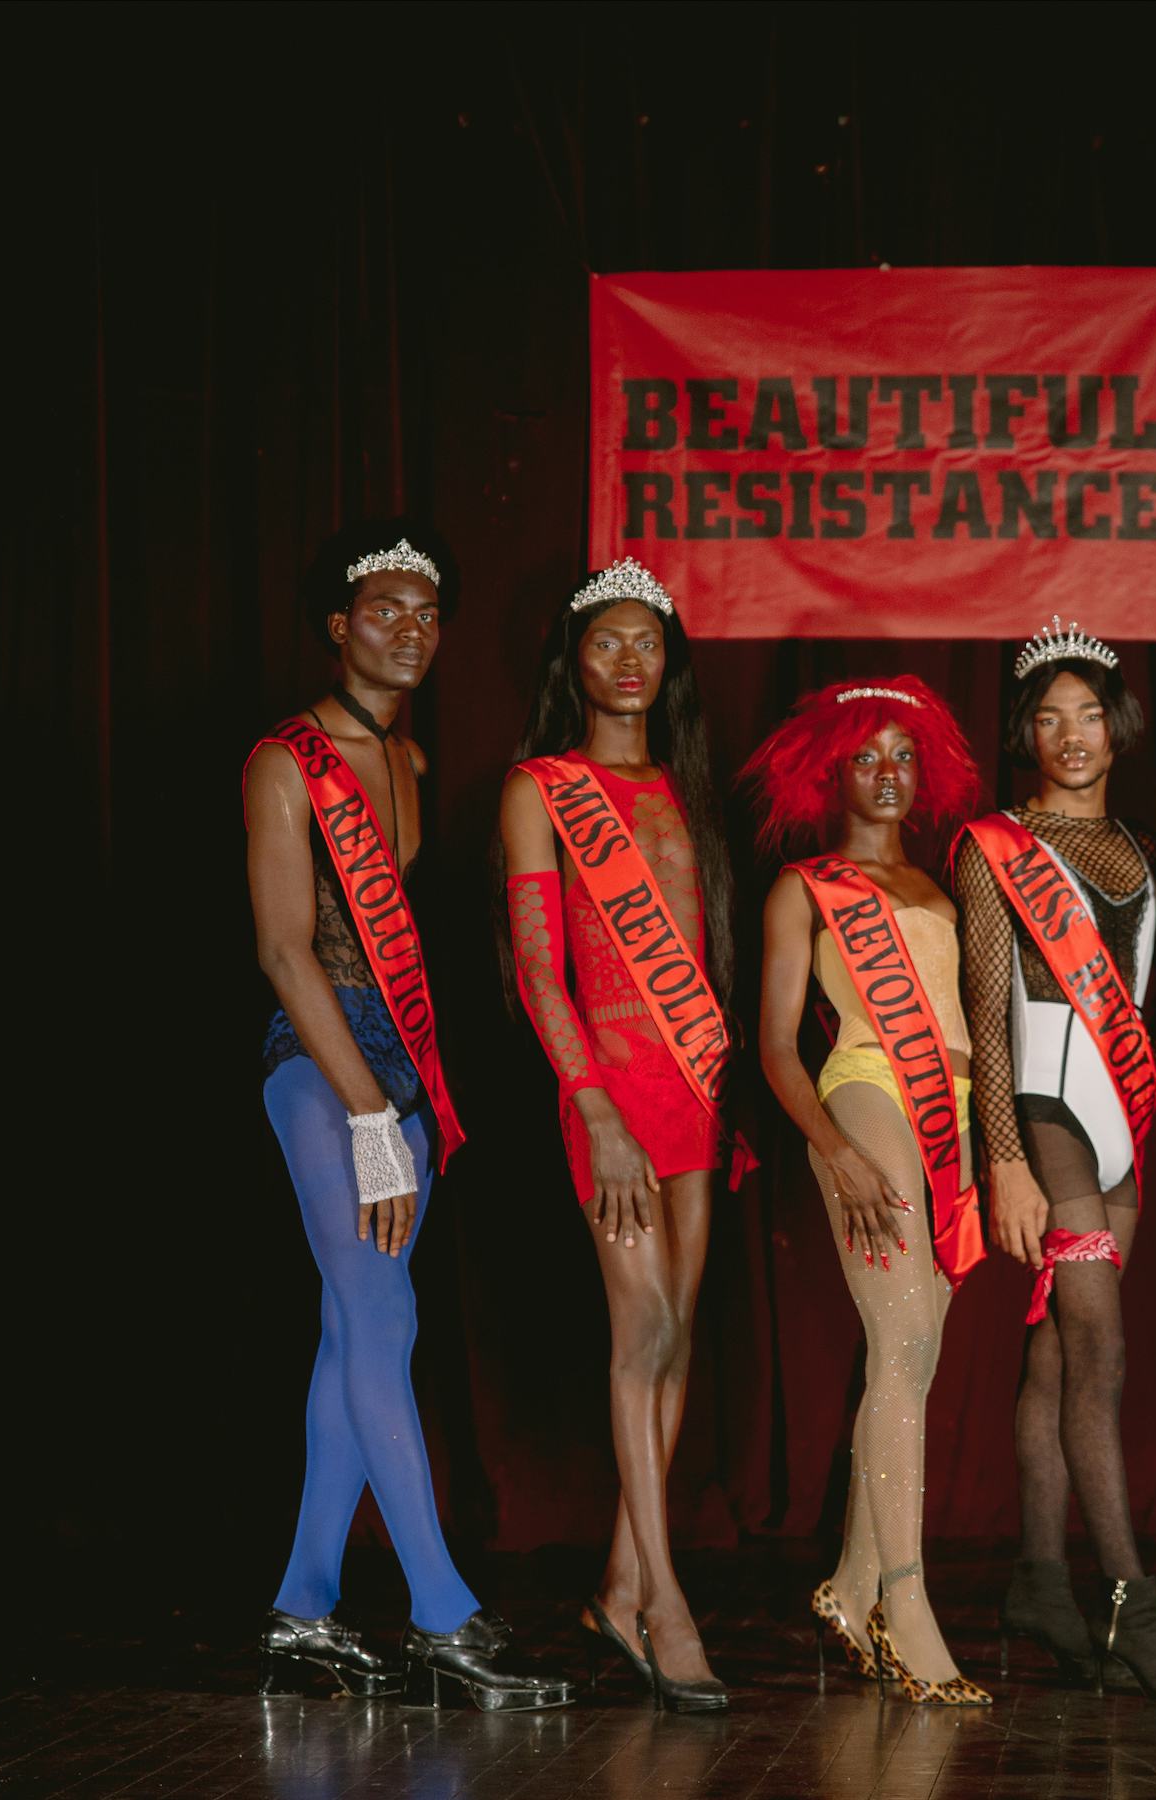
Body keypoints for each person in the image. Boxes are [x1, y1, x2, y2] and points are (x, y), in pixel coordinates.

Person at [242, 520, 570, 1711]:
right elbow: (286, 951)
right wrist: (372, 1114)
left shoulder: (414, 764)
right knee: (384, 1315)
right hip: (322, 1063)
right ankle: (444, 1613)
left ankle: (304, 1608)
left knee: (355, 1330)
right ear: (339, 626)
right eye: (387, 608)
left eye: (431, 614)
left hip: (402, 1062)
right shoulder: (285, 761)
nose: (412, 631)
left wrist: (403, 1096)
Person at [953, 618, 1156, 1698]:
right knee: (1100, 1356)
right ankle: (1132, 1607)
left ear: (1119, 726)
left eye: (1088, 715)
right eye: (1048, 716)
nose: (1070, 735)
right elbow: (987, 1010)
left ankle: (1037, 1581)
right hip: (1044, 1107)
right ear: (1026, 730)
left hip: (1120, 1115)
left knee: (1059, 1361)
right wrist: (1005, 1158)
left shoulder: (1144, 852)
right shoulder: (994, 845)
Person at [498, 558, 741, 1712]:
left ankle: (617, 1582)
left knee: (680, 1332)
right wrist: (592, 1109)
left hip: (693, 1085)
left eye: (650, 640)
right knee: (639, 1329)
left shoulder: (687, 788)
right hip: (608, 1089)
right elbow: (542, 974)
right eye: (609, 640)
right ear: (575, 661)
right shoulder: (541, 787)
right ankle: (666, 1608)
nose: (631, 658)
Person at [747, 676, 992, 1707]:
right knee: (901, 1347)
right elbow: (773, 1048)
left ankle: (850, 1589)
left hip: (958, 1113)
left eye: (903, 756)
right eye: (866, 758)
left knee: (914, 1359)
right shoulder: (804, 888)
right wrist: (837, 1152)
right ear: (830, 770)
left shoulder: (944, 887)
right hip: (866, 1094)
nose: (888, 775)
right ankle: (907, 1602)